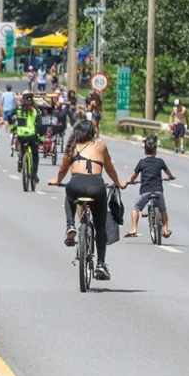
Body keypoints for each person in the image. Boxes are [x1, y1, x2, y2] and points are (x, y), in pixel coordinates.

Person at [48, 120, 126, 281]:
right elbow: (110, 169)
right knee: (100, 225)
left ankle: (70, 225)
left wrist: (57, 180)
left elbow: (63, 170)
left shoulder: (72, 147)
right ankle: (101, 264)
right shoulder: (100, 147)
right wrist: (118, 183)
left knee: (69, 196)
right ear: (92, 133)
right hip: (97, 187)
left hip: (76, 185)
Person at [126, 135, 175, 239]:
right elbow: (167, 172)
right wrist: (170, 177)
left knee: (136, 208)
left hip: (145, 191)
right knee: (163, 210)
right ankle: (165, 229)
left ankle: (134, 228)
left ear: (145, 151)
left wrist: (131, 182)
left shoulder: (141, 162)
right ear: (156, 151)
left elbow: (134, 175)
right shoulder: (160, 161)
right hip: (158, 191)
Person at [15, 94, 41, 184]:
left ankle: (20, 162)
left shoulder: (18, 109)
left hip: (21, 135)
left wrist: (12, 127)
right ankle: (34, 175)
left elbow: (8, 115)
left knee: (22, 150)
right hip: (32, 135)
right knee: (35, 155)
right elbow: (40, 125)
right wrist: (41, 137)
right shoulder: (35, 110)